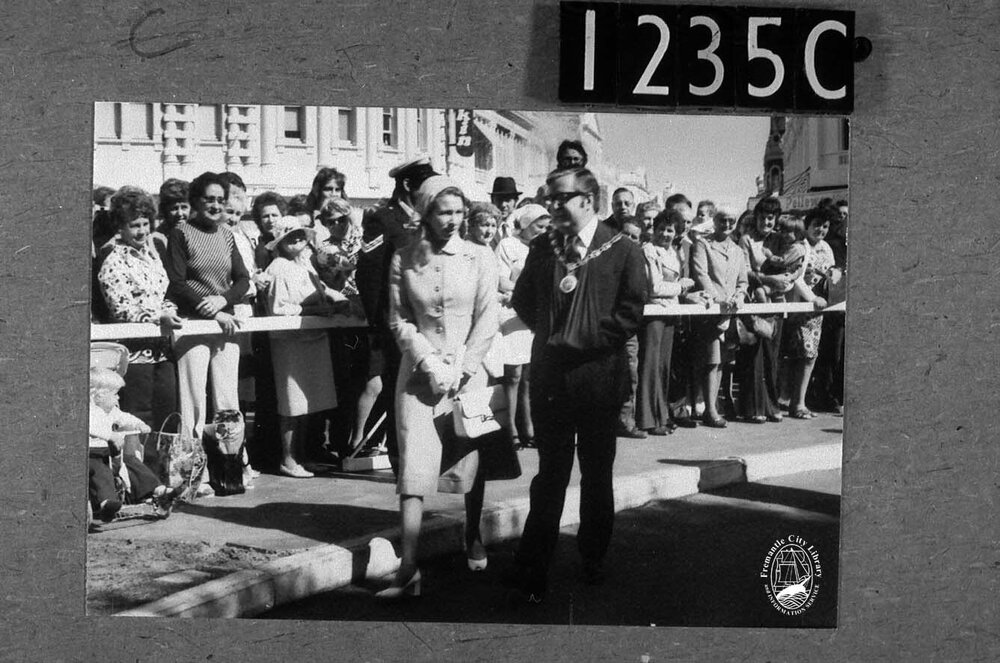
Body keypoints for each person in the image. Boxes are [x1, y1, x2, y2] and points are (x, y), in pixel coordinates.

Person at [505, 167, 646, 603]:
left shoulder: (623, 249)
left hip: (598, 377)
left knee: (597, 473)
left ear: (588, 200)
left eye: (560, 198)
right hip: (552, 377)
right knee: (550, 474)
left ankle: (593, 555)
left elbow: (630, 312)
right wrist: (556, 335)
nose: (552, 206)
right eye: (549, 198)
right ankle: (534, 566)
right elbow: (523, 301)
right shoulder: (543, 247)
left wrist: (584, 339)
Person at [378, 176, 500, 598]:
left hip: (470, 372)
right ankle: (409, 568)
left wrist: (465, 366)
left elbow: (487, 316)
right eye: (444, 212)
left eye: (459, 212)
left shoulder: (479, 256)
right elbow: (399, 319)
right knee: (413, 466)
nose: (453, 220)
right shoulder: (403, 257)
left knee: (470, 458)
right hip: (419, 376)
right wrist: (427, 359)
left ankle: (473, 533)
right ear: (426, 214)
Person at [164, 171, 250, 496]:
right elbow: (177, 282)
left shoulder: (227, 235)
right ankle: (190, 479)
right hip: (193, 326)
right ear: (195, 201)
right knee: (194, 404)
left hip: (224, 324)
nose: (215, 205)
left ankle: (231, 472)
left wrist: (223, 301)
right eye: (209, 199)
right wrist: (213, 309)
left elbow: (243, 280)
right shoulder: (180, 233)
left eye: (220, 200)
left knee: (228, 403)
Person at [356, 155, 439, 474]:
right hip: (396, 324)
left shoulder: (427, 219)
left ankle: (423, 457)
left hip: (426, 323)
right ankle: (400, 461)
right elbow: (369, 275)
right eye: (424, 183)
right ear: (407, 184)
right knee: (397, 393)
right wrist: (382, 323)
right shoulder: (383, 219)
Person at [97, 186, 183, 441]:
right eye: (135, 225)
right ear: (120, 227)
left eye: (145, 224)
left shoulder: (152, 255)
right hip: (134, 358)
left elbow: (166, 293)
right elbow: (121, 308)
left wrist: (169, 310)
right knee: (139, 420)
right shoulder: (112, 260)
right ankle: (140, 468)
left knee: (168, 417)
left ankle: (165, 465)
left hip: (163, 352)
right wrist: (157, 317)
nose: (142, 231)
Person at [264, 217, 346, 477]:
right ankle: (288, 459)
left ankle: (302, 456)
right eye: (290, 236)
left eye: (300, 235)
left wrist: (338, 302)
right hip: (290, 343)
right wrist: (313, 310)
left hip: (312, 339)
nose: (297, 240)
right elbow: (279, 308)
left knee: (306, 404)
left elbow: (324, 292)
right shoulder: (278, 267)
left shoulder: (305, 266)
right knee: (291, 405)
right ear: (280, 242)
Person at [495, 204, 551, 450]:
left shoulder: (546, 248)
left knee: (530, 375)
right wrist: (524, 292)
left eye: (547, 227)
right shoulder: (508, 245)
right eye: (539, 226)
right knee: (513, 374)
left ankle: (529, 427)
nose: (543, 231)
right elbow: (500, 279)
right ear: (526, 224)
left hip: (536, 314)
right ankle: (510, 428)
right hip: (513, 313)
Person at [89, 367, 176, 523]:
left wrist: (139, 424)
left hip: (110, 452)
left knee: (131, 461)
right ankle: (106, 503)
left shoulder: (112, 411)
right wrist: (110, 436)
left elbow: (126, 418)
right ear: (99, 396)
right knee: (100, 471)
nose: (118, 398)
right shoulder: (88, 411)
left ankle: (158, 489)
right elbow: (89, 427)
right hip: (91, 453)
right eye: (115, 394)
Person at [689, 207, 748, 428]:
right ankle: (709, 410)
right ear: (714, 220)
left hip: (730, 313)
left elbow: (743, 282)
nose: (727, 224)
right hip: (710, 311)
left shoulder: (737, 250)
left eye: (731, 220)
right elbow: (701, 274)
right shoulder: (703, 244)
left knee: (722, 361)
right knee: (710, 360)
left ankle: (712, 407)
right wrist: (718, 299)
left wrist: (739, 296)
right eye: (722, 220)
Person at [637, 210, 694, 435]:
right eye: (661, 229)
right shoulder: (649, 250)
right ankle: (648, 420)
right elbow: (654, 287)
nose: (665, 234)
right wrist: (681, 287)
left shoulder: (674, 252)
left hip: (670, 313)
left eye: (670, 230)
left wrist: (688, 292)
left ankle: (661, 416)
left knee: (663, 367)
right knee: (651, 366)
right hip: (653, 314)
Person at [735, 197, 789, 424]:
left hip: (777, 301)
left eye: (771, 218)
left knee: (772, 356)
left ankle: (772, 406)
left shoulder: (781, 240)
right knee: (754, 356)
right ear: (756, 218)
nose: (766, 222)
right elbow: (745, 270)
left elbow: (789, 268)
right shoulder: (746, 240)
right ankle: (753, 408)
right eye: (763, 217)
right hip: (754, 300)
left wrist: (776, 283)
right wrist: (767, 280)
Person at [782, 206, 835, 419]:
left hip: (818, 312)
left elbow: (832, 273)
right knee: (802, 356)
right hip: (801, 308)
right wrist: (812, 298)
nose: (820, 229)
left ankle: (798, 402)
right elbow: (795, 278)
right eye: (816, 225)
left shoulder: (826, 247)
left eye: (825, 226)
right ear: (807, 225)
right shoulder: (799, 247)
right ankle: (796, 403)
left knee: (810, 357)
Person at [151, 179, 190, 261]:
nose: (180, 214)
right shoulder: (157, 239)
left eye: (184, 207)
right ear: (165, 210)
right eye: (174, 208)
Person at [489, 176, 522, 245]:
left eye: (507, 200)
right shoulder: (484, 225)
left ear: (516, 201)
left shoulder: (521, 226)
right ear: (492, 200)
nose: (503, 205)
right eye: (499, 199)